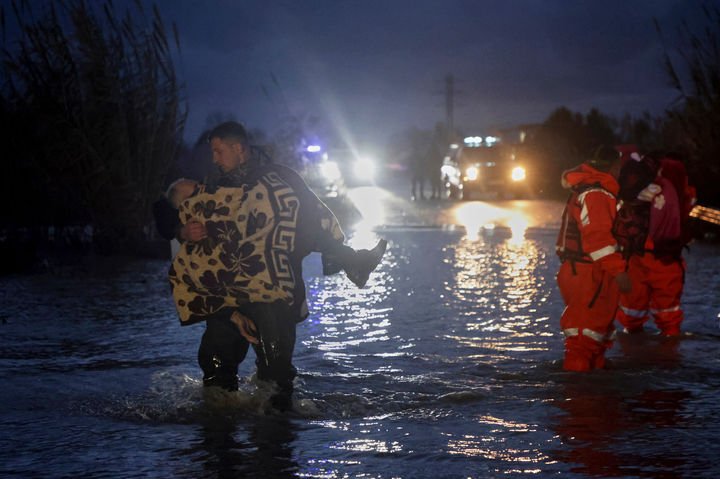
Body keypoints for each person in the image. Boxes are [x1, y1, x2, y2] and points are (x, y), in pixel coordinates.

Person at [161, 121, 387, 410]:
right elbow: (167, 211)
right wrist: (182, 231)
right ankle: (218, 431)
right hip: (227, 297)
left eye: (218, 151)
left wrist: (342, 255)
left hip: (272, 291)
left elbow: (313, 219)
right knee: (216, 373)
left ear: (238, 148)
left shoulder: (281, 179)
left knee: (275, 378)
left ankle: (275, 431)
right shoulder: (212, 185)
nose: (214, 159)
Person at [556, 159, 631, 371]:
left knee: (594, 337)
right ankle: (578, 388)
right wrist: (619, 272)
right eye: (619, 167)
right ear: (613, 167)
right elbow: (598, 238)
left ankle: (591, 385)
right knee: (584, 339)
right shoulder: (597, 194)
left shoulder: (587, 190)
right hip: (589, 273)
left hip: (584, 270)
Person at [613, 151, 696, 336]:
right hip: (666, 258)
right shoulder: (678, 189)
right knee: (668, 316)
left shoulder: (642, 188)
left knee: (631, 314)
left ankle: (634, 345)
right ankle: (669, 348)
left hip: (637, 255)